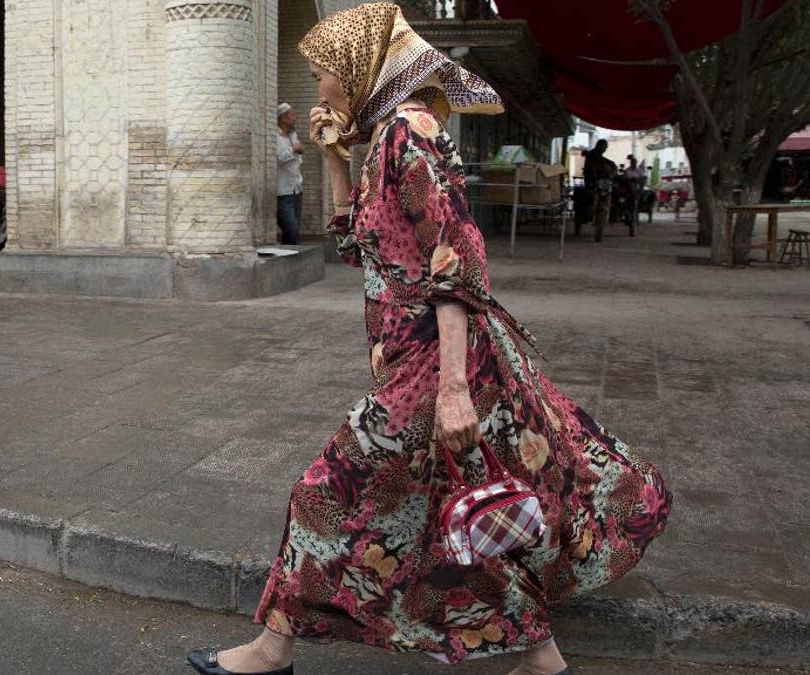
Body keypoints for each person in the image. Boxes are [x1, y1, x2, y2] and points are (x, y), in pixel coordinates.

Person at [187, 5, 671, 675]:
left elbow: (456, 256)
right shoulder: (388, 136)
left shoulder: (406, 136)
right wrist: (335, 157)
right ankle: (542, 659)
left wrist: (450, 386)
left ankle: (272, 651)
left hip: (437, 361)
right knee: (455, 511)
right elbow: (367, 246)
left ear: (360, 68)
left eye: (324, 71)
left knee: (320, 491)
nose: (321, 86)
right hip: (419, 355)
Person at [277, 102, 305, 245]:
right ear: (283, 118)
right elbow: (279, 157)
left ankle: (288, 259)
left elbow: (299, 157)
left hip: (296, 190)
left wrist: (296, 149)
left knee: (293, 231)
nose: (294, 117)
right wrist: (293, 149)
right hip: (283, 192)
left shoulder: (293, 135)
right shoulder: (275, 137)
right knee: (291, 228)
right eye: (291, 115)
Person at [582, 141, 616, 241]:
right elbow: (590, 165)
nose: (604, 149)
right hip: (592, 182)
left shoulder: (604, 160)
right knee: (588, 197)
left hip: (603, 183)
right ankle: (588, 213)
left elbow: (610, 165)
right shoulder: (592, 155)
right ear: (598, 146)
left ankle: (611, 214)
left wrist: (612, 172)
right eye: (603, 146)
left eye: (605, 147)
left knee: (615, 194)